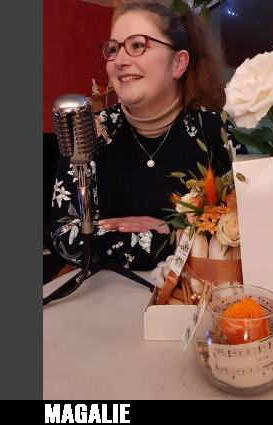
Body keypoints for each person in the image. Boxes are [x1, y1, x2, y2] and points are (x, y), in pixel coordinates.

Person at [50, 2, 245, 271]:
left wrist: (152, 232)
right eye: (114, 49)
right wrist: (173, 235)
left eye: (138, 45)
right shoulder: (90, 131)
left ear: (178, 63)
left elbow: (242, 232)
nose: (119, 60)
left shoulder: (215, 129)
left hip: (193, 292)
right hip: (107, 293)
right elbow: (65, 237)